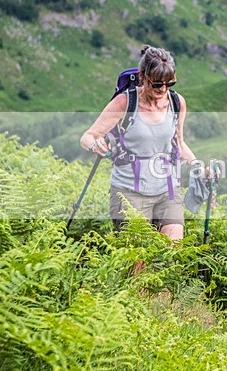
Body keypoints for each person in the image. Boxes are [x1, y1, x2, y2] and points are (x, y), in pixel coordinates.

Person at [80, 45, 199, 254]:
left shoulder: (176, 102)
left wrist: (197, 165)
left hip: (168, 190)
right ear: (143, 77)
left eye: (169, 83)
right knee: (138, 266)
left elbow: (179, 142)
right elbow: (87, 137)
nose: (163, 89)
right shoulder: (125, 103)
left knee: (171, 255)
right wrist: (95, 144)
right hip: (129, 192)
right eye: (157, 83)